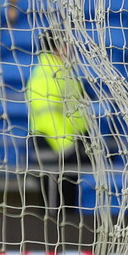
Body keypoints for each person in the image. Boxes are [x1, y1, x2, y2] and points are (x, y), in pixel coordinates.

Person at [26, 29, 89, 214]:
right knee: (53, 208)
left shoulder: (65, 72)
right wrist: (67, 145)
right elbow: (47, 117)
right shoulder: (45, 74)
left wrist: (84, 138)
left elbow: (77, 112)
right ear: (56, 47)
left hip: (69, 149)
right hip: (51, 148)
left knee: (68, 206)